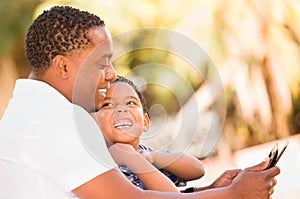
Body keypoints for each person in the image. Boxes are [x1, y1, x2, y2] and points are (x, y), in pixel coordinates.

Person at [0, 5, 280, 199]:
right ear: (62, 67)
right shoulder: (54, 122)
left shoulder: (35, 113)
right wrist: (232, 195)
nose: (111, 75)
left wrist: (207, 192)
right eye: (101, 64)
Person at [94, 75, 205, 192]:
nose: (121, 109)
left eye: (130, 102)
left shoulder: (146, 153)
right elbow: (171, 196)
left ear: (145, 122)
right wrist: (133, 160)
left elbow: (197, 170)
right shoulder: (100, 162)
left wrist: (153, 157)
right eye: (107, 104)